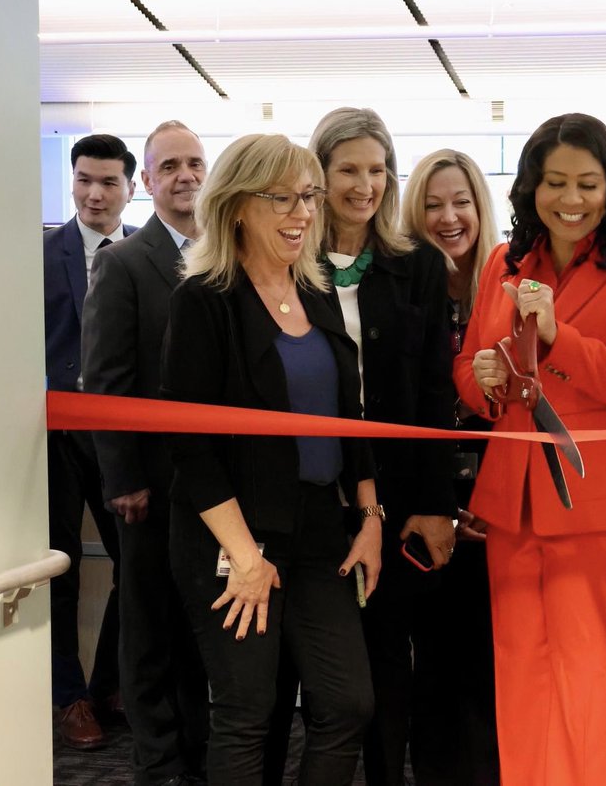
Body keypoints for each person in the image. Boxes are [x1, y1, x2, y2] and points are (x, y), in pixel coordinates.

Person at [454, 112, 606, 786]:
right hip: (516, 506)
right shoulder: (506, 260)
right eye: (555, 182)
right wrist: (486, 380)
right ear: (531, 186)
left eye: (588, 183)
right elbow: (470, 366)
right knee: (523, 685)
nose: (571, 198)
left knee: (594, 693)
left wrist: (559, 338)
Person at [161, 133, 380, 785]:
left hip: (317, 529)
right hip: (231, 536)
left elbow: (350, 416)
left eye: (308, 197)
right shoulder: (204, 299)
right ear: (235, 207)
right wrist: (247, 556)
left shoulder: (313, 293)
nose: (302, 213)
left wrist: (369, 514)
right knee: (247, 712)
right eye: (281, 198)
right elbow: (190, 444)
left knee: (347, 702)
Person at [307, 108, 458, 786]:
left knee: (388, 654)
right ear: (319, 174)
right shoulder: (288, 257)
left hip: (395, 493)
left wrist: (434, 505)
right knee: (327, 670)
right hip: (310, 488)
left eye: (377, 170)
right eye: (348, 169)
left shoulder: (418, 266)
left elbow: (433, 393)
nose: (364, 185)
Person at [81, 120, 210, 786]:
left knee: (196, 625)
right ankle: (158, 758)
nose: (186, 175)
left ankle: (195, 746)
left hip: (211, 486)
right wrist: (123, 476)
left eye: (195, 162)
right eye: (171, 166)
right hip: (149, 486)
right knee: (149, 624)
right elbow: (104, 379)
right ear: (149, 183)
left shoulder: (226, 256)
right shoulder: (124, 263)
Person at [401, 147, 502, 785]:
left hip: (498, 507)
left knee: (491, 665)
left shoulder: (507, 279)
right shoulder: (403, 286)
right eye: (433, 205)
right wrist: (437, 500)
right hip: (428, 502)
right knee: (433, 664)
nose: (448, 217)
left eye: (460, 202)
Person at [43, 133, 135, 749]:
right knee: (57, 567)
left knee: (137, 563)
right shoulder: (39, 254)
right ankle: (69, 698)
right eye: (83, 180)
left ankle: (109, 683)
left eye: (107, 182)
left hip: (121, 434)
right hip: (49, 433)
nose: (94, 193)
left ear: (131, 188)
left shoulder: (152, 256)